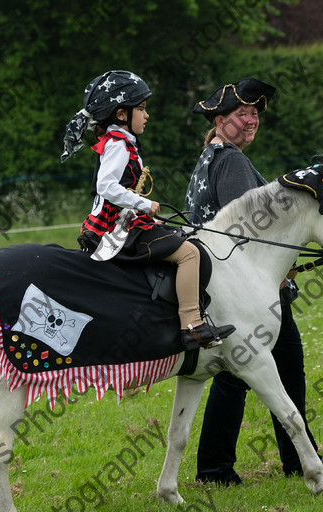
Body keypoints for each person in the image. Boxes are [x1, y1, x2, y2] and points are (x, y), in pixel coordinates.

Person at [185, 77, 323, 484]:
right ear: (221, 119)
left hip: (221, 282)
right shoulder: (232, 161)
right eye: (243, 114)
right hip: (244, 288)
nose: (251, 120)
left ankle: (291, 460)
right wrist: (276, 272)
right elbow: (251, 228)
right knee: (237, 376)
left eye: (255, 114)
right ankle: (217, 469)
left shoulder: (211, 156)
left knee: (281, 366)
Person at [61, 70, 234, 350]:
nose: (147, 115)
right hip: (119, 229)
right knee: (190, 253)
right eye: (141, 109)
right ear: (120, 114)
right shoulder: (117, 144)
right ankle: (192, 326)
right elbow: (106, 187)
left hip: (125, 223)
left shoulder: (119, 141)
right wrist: (144, 204)